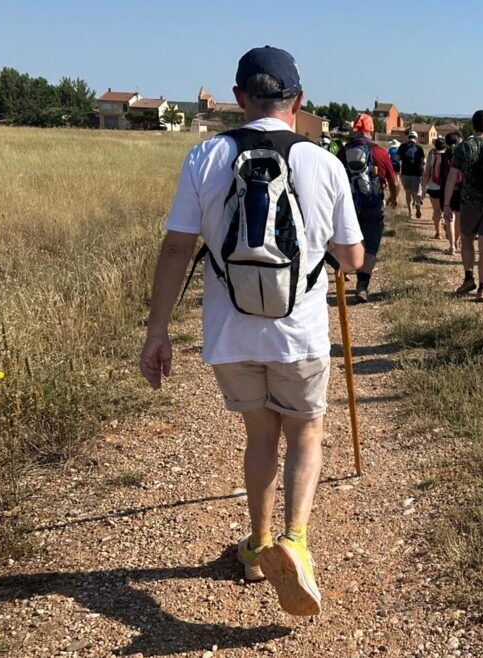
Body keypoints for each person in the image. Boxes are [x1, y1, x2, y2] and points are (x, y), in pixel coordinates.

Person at [139, 46, 365, 617]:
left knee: (260, 435)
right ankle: (296, 540)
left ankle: (257, 543)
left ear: (239, 97)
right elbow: (354, 259)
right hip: (301, 334)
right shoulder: (324, 163)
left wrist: (158, 330)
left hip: (230, 335)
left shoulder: (205, 158)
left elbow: (176, 247)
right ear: (299, 101)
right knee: (306, 434)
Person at [339, 114, 399, 303]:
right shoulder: (380, 152)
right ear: (370, 130)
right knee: (371, 247)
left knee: (349, 241)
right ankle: (362, 287)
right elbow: (394, 182)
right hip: (373, 205)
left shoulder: (342, 152)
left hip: (349, 206)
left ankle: (343, 275)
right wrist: (393, 197)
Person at [444, 111, 483, 302]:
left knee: (467, 240)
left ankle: (469, 278)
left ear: (473, 125)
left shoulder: (463, 148)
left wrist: (446, 203)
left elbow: (452, 177)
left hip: (469, 201)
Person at [440, 131, 463, 254]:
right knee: (459, 218)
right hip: (461, 189)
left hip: (447, 189)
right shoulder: (463, 154)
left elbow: (440, 174)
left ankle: (452, 246)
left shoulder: (444, 155)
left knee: (449, 219)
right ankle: (456, 242)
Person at [396, 129, 426, 219]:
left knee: (408, 193)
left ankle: (410, 212)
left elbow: (397, 158)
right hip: (416, 173)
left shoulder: (402, 146)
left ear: (408, 137)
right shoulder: (419, 148)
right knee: (416, 192)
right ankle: (418, 205)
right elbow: (423, 161)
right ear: (416, 138)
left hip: (405, 172)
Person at [425, 136, 447, 238]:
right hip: (447, 187)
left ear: (435, 145)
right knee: (448, 209)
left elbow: (427, 172)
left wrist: (424, 187)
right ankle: (448, 227)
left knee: (437, 210)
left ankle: (438, 233)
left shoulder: (432, 154)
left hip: (434, 186)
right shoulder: (449, 154)